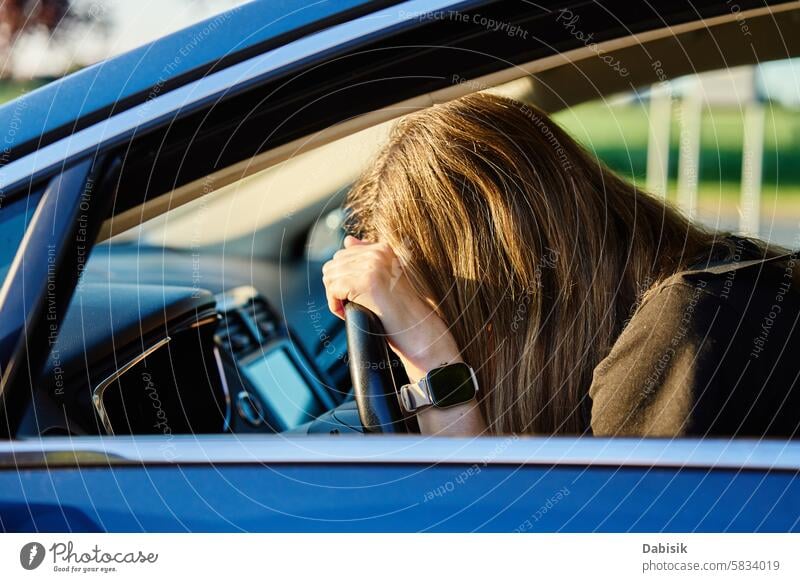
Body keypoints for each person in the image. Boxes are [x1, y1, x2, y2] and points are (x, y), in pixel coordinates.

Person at [321, 92, 800, 438]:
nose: (454, 325)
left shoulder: (678, 341)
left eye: (436, 299)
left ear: (507, 283)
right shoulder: (722, 283)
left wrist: (432, 362)